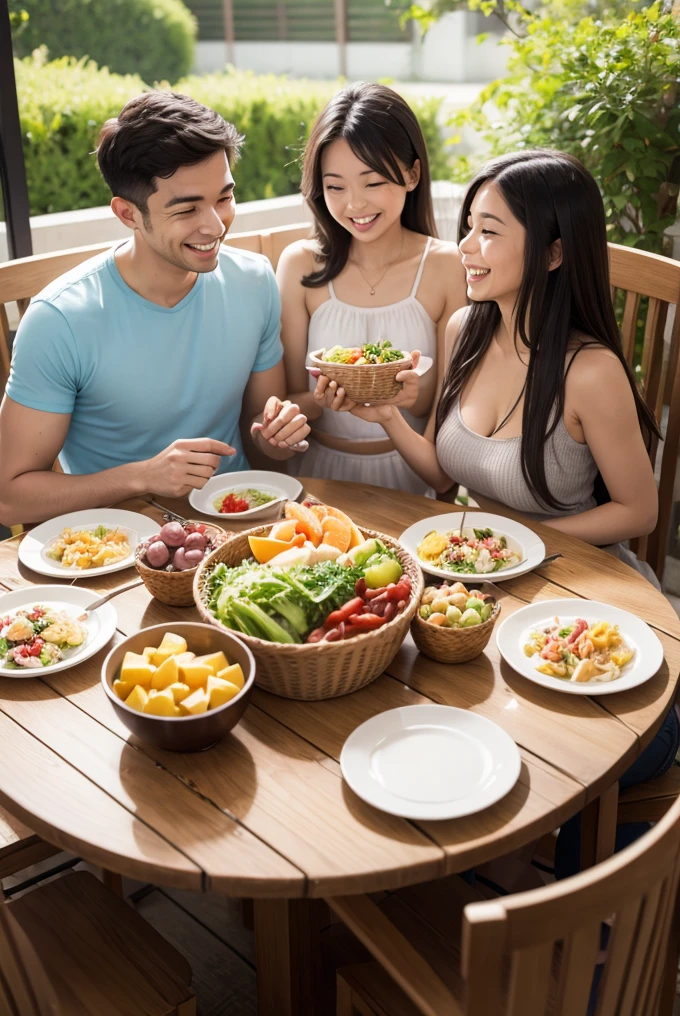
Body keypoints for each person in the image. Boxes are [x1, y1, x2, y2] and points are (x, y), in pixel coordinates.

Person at [328, 148, 678, 873]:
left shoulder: (590, 371)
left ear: (552, 253)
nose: (465, 248)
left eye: (488, 232)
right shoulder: (464, 330)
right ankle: (428, 874)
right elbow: (443, 470)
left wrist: (522, 543)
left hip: (586, 592)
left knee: (585, 754)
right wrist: (388, 414)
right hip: (484, 593)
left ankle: (584, 918)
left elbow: (638, 509)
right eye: (467, 227)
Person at [0, 91, 310, 528]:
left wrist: (277, 436)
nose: (216, 226)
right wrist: (144, 475)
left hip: (238, 524)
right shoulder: (60, 320)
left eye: (224, 197)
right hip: (117, 543)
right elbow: (10, 497)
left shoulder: (254, 279)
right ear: (128, 214)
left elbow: (260, 435)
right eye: (187, 209)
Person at [277, 82, 467, 494]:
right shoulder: (300, 264)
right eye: (336, 186)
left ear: (412, 174)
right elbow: (291, 401)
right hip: (317, 480)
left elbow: (444, 416)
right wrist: (322, 399)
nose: (355, 205)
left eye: (373, 182)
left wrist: (402, 398)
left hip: (411, 481)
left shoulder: (446, 266)